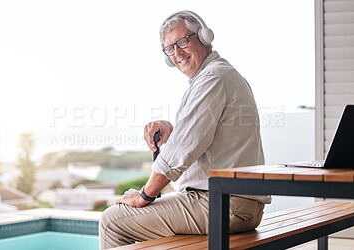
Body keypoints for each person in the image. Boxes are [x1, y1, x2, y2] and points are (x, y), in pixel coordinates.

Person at [99, 10, 271, 249]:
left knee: (112, 221)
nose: (177, 53)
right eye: (170, 48)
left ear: (204, 36)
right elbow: (200, 137)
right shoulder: (220, 75)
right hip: (234, 203)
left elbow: (180, 152)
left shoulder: (213, 79)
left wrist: (144, 195)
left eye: (183, 41)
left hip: (222, 205)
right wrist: (173, 129)